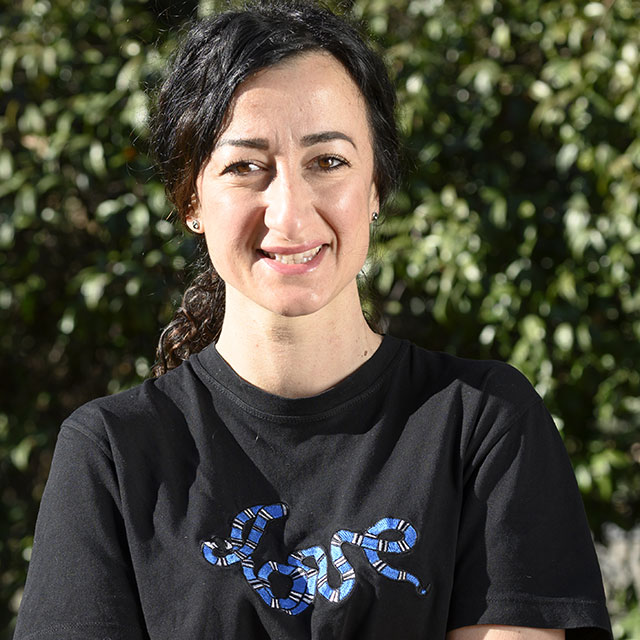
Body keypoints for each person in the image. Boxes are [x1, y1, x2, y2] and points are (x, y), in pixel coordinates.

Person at [14, 2, 612, 639]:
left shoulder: (482, 423)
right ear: (191, 198)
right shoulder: (112, 454)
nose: (290, 214)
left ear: (375, 184)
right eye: (246, 167)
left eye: (328, 162)